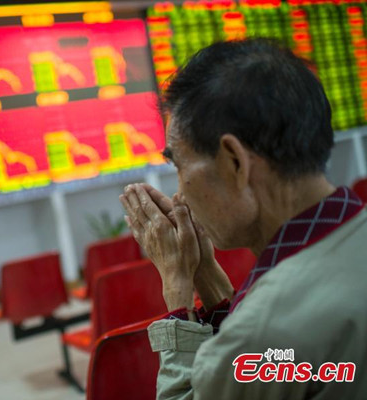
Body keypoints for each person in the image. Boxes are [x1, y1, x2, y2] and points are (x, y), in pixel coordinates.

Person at [120, 38, 367, 399]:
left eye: (178, 163)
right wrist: (206, 276)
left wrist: (177, 291)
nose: (181, 191)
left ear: (234, 161)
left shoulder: (264, 331)